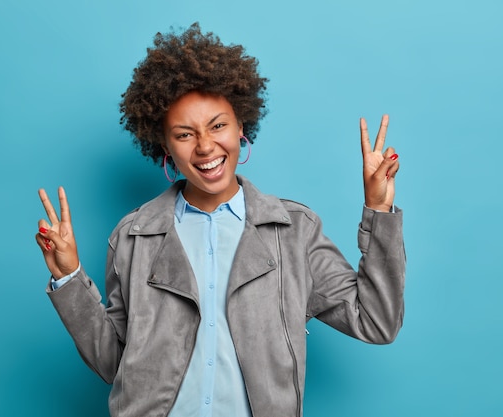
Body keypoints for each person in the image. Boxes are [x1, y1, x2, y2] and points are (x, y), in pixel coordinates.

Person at [35, 23, 405, 417]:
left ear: (241, 125)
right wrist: (70, 278)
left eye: (218, 125)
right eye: (184, 134)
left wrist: (378, 212)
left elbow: (376, 321)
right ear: (164, 146)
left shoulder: (293, 231)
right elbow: (114, 364)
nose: (206, 146)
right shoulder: (133, 237)